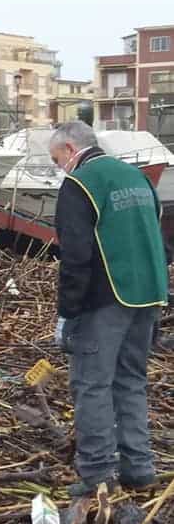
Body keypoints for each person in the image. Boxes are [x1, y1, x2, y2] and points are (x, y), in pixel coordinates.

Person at [50, 120, 169, 496]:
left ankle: (98, 472)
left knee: (91, 384)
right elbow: (158, 237)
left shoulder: (80, 183)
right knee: (131, 381)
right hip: (148, 295)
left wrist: (68, 312)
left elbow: (75, 254)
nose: (59, 168)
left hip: (106, 298)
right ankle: (139, 468)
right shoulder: (138, 179)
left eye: (57, 160)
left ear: (71, 149)